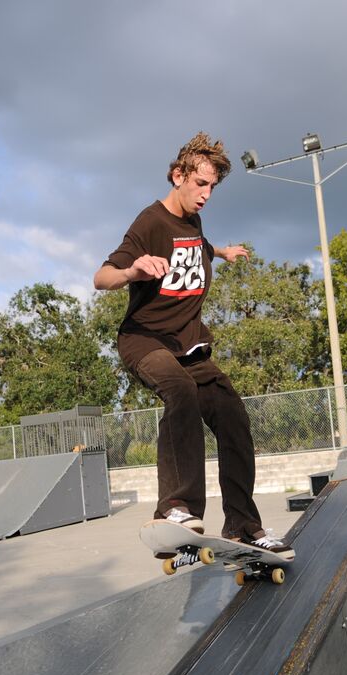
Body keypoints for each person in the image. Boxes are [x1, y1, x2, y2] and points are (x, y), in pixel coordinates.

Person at [93, 131, 292, 558]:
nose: (205, 196)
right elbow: (102, 277)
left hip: (190, 348)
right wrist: (133, 272)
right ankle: (175, 508)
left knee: (234, 418)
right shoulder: (150, 222)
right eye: (199, 185)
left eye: (212, 188)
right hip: (145, 342)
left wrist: (222, 252)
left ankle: (242, 524)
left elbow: (196, 246)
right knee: (179, 392)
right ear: (177, 175)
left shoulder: (193, 221)